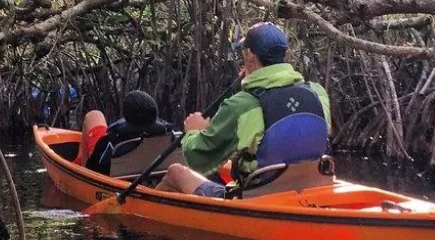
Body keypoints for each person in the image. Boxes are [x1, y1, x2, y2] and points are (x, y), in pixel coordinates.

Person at [156, 22, 331, 197]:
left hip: (259, 195)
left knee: (175, 172)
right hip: (312, 188)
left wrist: (194, 132)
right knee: (230, 163)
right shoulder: (317, 92)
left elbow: (199, 160)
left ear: (249, 57)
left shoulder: (242, 105)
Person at [78, 90, 172, 175]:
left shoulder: (113, 142)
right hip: (156, 178)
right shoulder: (171, 137)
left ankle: (79, 171)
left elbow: (95, 170)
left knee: (93, 115)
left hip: (116, 185)